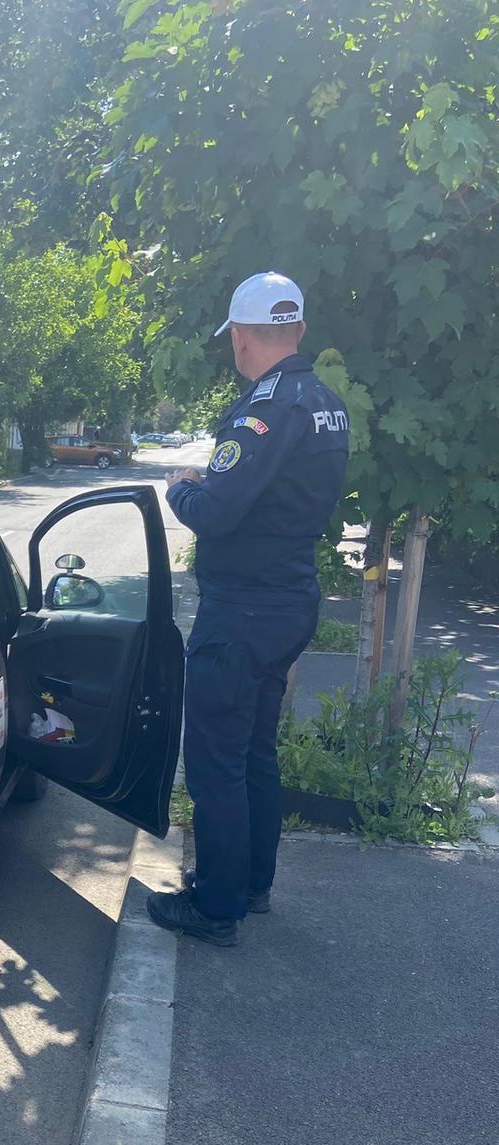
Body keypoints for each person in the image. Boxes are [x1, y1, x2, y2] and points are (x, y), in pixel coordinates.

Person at [147, 271, 350, 947]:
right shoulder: (324, 403)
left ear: (240, 336)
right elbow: (273, 492)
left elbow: (215, 512)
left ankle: (215, 906)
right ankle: (253, 883)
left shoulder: (263, 410)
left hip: (242, 613)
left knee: (216, 762)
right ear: (298, 329)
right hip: (290, 601)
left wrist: (181, 488)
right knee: (256, 752)